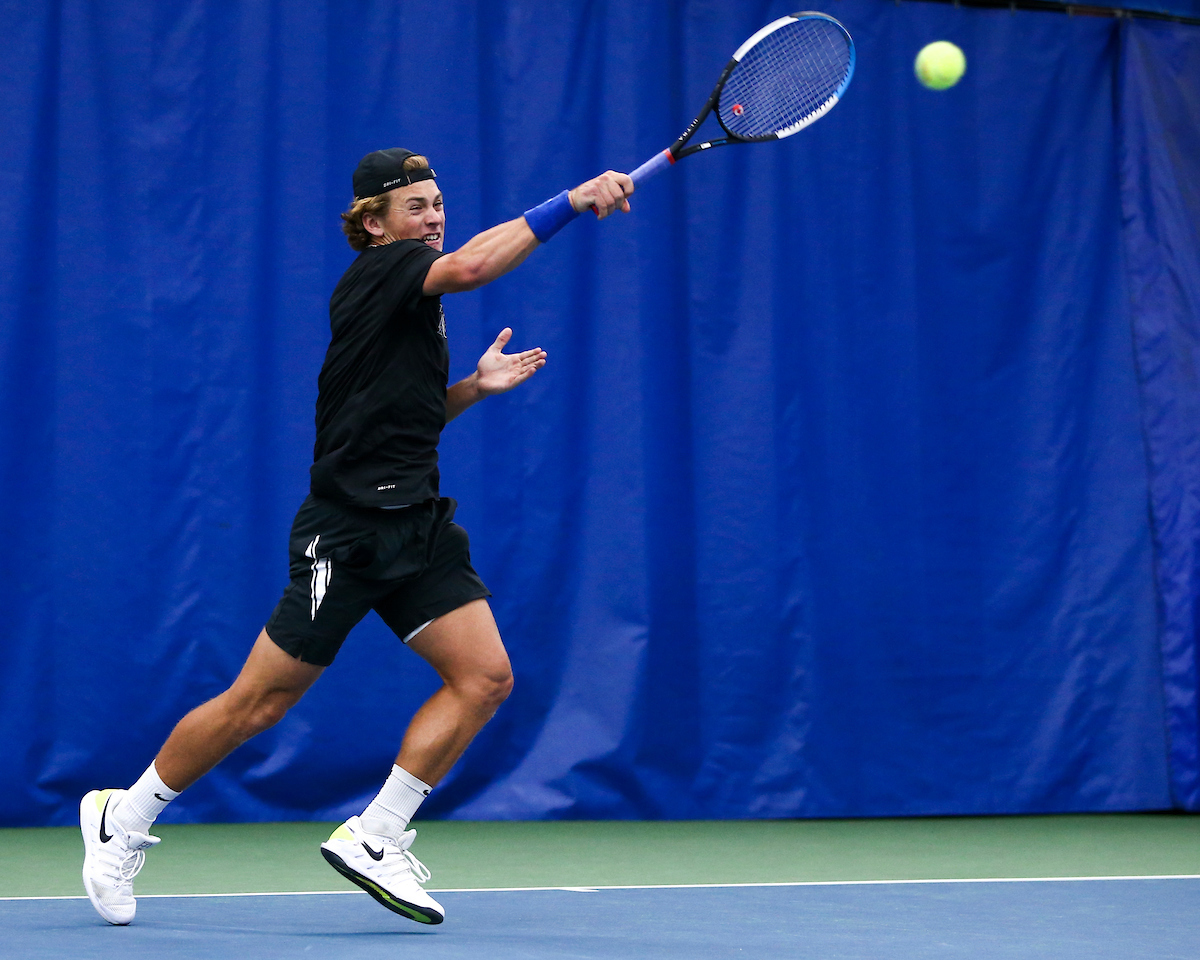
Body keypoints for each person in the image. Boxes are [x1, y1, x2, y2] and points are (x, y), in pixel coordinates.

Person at [79, 148, 634, 927]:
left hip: (416, 522)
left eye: (438, 203)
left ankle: (377, 835)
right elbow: (475, 268)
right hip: (345, 535)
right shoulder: (384, 272)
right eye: (416, 206)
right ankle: (123, 818)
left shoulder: (412, 298)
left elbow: (396, 424)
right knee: (258, 705)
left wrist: (471, 389)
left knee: (484, 679)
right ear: (373, 224)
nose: (433, 218)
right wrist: (572, 200)